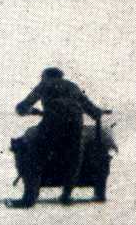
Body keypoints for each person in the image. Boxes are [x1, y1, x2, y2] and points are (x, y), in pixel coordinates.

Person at [12, 67, 106, 206]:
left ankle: (29, 198)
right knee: (74, 158)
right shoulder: (73, 86)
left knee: (34, 157)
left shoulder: (44, 85)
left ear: (45, 76)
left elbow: (21, 108)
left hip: (52, 124)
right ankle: (67, 195)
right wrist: (97, 113)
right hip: (75, 125)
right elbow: (93, 111)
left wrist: (32, 111)